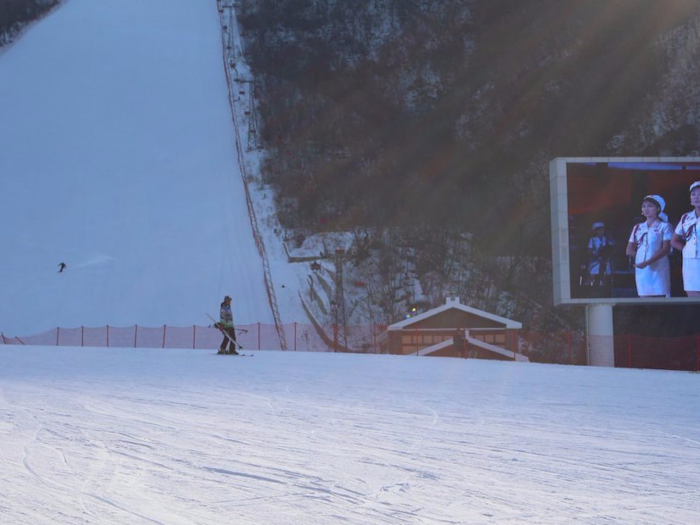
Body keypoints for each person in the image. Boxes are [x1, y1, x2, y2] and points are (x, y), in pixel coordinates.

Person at [626, 195, 672, 297]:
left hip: (658, 267)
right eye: (644, 206)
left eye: (650, 206)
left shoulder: (665, 226)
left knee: (660, 297)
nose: (646, 209)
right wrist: (641, 260)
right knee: (644, 300)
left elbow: (666, 249)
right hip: (642, 268)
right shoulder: (638, 227)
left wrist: (648, 261)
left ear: (658, 209)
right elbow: (629, 250)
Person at [671, 181, 700, 297]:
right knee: (693, 299)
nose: (697, 197)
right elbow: (674, 240)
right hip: (690, 263)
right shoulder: (686, 217)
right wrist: (685, 249)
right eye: (693, 194)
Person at [586, 222, 615, 286]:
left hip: (605, 261)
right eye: (599, 230)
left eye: (602, 230)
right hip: (595, 261)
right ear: (596, 231)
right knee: (592, 275)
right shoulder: (592, 240)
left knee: (605, 276)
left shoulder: (607, 239)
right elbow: (589, 251)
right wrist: (597, 251)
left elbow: (612, 248)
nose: (601, 231)